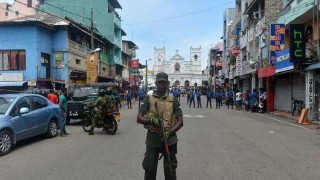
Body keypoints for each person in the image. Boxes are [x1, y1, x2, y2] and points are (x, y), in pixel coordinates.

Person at [137, 72, 183, 180]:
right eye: (160, 82)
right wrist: (152, 120)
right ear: (156, 83)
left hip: (170, 139)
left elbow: (180, 121)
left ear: (167, 84)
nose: (162, 85)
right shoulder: (149, 99)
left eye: (164, 82)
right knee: (150, 169)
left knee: (170, 170)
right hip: (153, 138)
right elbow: (139, 118)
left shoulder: (173, 100)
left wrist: (169, 132)